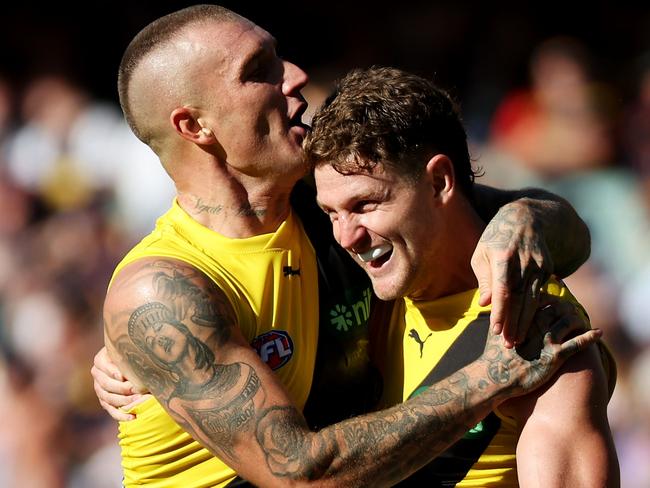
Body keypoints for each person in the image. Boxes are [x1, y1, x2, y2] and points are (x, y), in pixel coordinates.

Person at [96, 5, 599, 487]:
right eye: (258, 70)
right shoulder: (162, 293)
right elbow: (301, 474)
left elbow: (544, 228)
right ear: (194, 125)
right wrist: (492, 376)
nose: (293, 75)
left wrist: (522, 217)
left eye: (279, 56)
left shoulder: (327, 207)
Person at [305, 66, 619, 486]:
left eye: (365, 204)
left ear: (438, 181)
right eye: (331, 213)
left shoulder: (538, 331)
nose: (346, 237)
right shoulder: (367, 288)